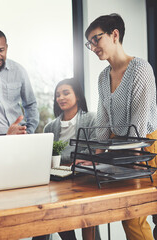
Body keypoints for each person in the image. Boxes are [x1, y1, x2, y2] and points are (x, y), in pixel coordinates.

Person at [84, 13, 157, 240]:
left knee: (133, 215)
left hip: (146, 149)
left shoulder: (140, 69)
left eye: (95, 39)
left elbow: (137, 127)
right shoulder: (103, 77)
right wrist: (96, 161)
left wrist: (115, 160)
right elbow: (102, 121)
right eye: (89, 43)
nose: (92, 47)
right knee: (125, 213)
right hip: (120, 148)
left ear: (114, 35)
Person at [33, 78, 98, 240]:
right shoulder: (50, 127)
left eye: (66, 93)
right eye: (58, 95)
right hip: (57, 180)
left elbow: (94, 152)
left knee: (87, 220)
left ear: (78, 96)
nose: (61, 98)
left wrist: (69, 160)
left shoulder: (91, 119)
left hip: (82, 179)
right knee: (46, 212)